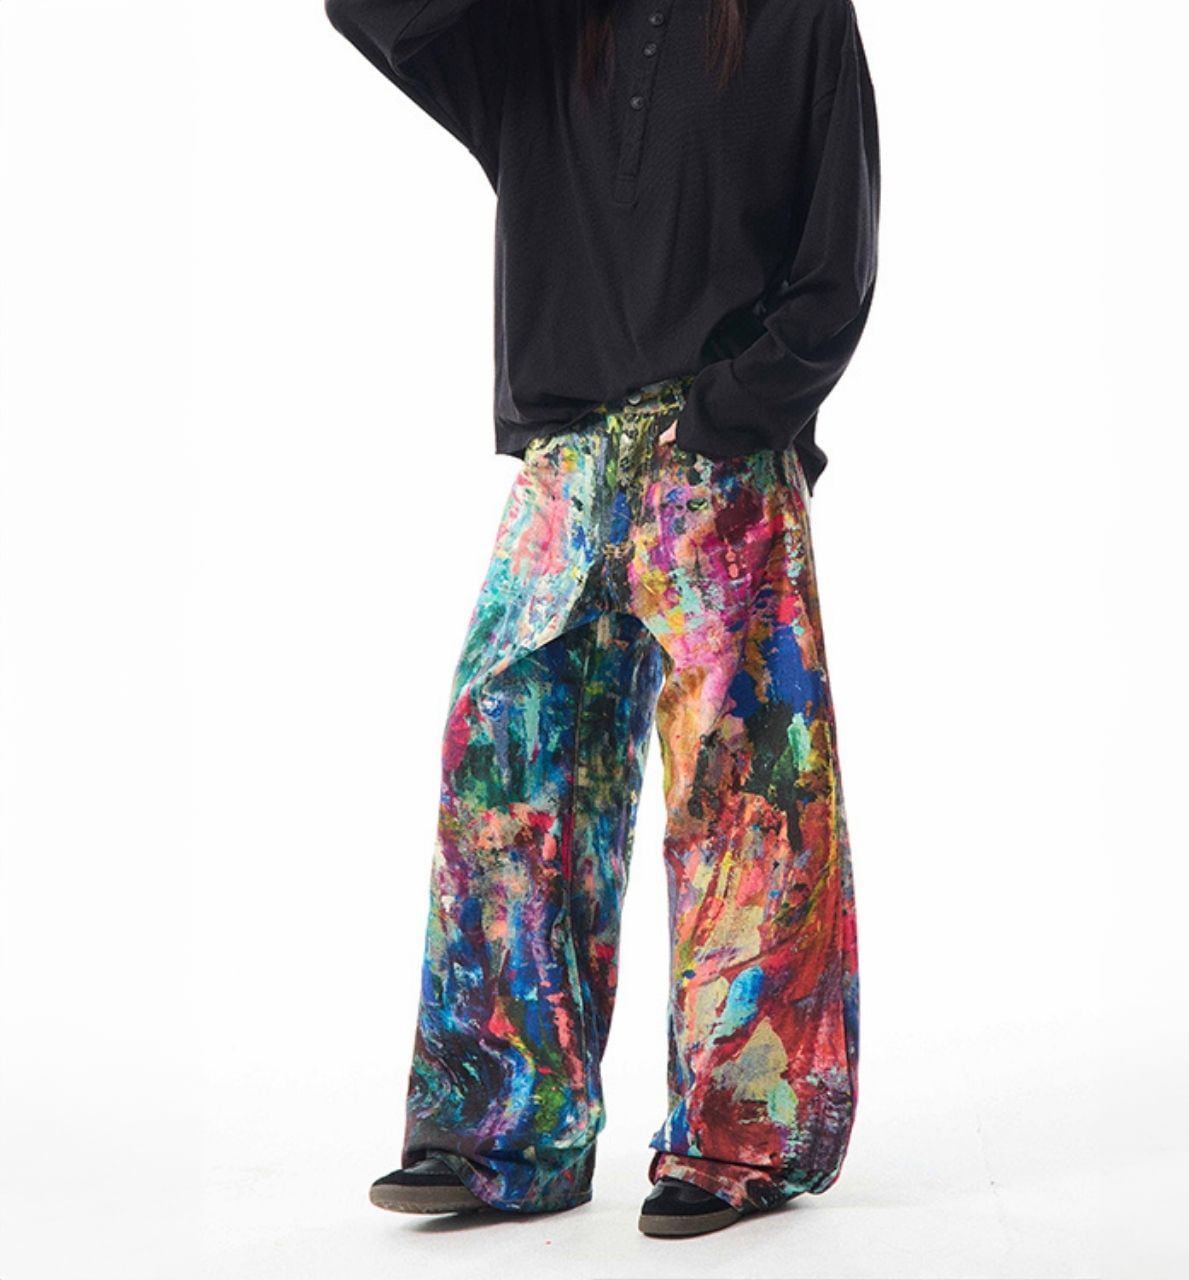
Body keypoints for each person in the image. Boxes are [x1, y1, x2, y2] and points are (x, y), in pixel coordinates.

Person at [324, 0, 879, 1238]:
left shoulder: (794, 15)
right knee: (507, 777)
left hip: (719, 464)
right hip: (565, 465)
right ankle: (503, 1131)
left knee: (744, 803)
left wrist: (729, 418)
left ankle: (743, 1139)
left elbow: (834, 265)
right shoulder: (535, 28)